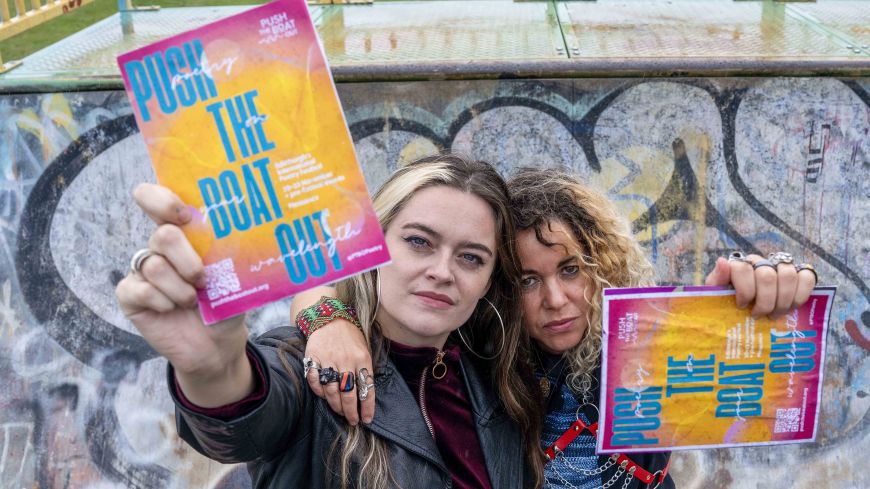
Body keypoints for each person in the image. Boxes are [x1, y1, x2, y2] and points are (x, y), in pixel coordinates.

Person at [298, 166, 819, 488]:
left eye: (571, 270)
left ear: (602, 265)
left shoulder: (648, 338)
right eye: (527, 281)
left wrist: (764, 283)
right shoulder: (475, 356)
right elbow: (331, 274)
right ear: (499, 287)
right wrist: (327, 317)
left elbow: (734, 329)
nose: (555, 299)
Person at [115, 154, 546, 488]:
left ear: (490, 279)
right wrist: (211, 370)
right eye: (418, 242)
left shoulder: (501, 381)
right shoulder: (309, 364)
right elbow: (242, 419)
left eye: (471, 257)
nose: (442, 270)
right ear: (372, 244)